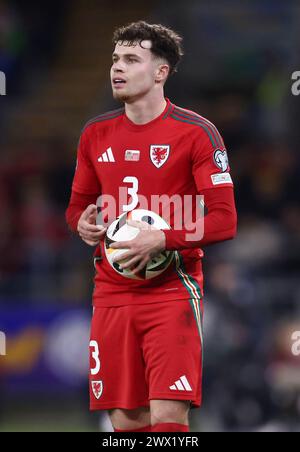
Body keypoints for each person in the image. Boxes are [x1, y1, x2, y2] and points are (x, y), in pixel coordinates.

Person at [66, 21, 237, 433]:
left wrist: (163, 237)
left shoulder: (197, 133)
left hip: (172, 291)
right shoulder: (94, 134)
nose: (116, 68)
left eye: (130, 59)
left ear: (160, 72)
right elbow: (76, 208)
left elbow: (224, 219)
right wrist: (82, 224)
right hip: (111, 292)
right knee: (125, 421)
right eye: (115, 59)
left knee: (168, 417)